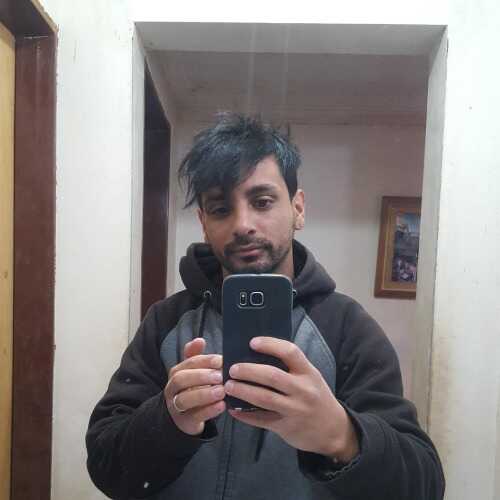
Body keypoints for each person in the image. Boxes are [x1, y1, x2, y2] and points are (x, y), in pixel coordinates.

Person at [86, 112, 445, 499]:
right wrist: (168, 421)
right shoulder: (167, 321)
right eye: (220, 209)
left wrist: (341, 436)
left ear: (298, 208)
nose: (243, 224)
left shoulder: (346, 327)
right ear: (204, 223)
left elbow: (423, 486)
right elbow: (106, 467)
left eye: (262, 201)